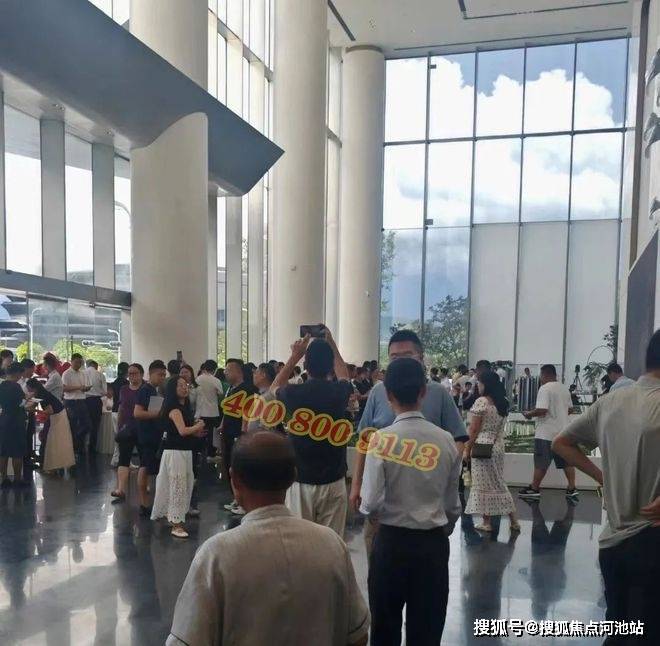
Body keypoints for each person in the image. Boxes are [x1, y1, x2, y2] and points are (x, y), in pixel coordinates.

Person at [167, 431, 369, 646]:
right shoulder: (332, 545)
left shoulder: (216, 556)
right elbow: (358, 635)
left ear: (234, 479)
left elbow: (186, 640)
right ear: (292, 476)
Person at [552, 329, 660, 645]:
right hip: (653, 541)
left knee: (619, 630)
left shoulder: (610, 402)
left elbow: (561, 443)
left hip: (613, 543)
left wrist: (603, 477)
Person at [360, 358, 461, 646]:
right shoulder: (446, 440)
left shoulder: (381, 440)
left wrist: (374, 516)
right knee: (426, 630)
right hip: (432, 546)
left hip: (391, 543)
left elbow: (371, 501)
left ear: (388, 394)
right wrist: (442, 527)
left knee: (385, 628)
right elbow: (452, 505)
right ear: (423, 392)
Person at [350, 330, 467, 555]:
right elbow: (364, 440)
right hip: (383, 513)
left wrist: (445, 475)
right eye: (394, 357)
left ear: (421, 357)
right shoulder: (377, 392)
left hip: (428, 509)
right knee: (378, 562)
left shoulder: (439, 393)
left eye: (407, 355)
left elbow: (458, 440)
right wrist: (357, 486)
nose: (400, 362)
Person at [271, 327, 353, 537]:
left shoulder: (293, 393)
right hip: (334, 479)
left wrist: (295, 356)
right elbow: (344, 374)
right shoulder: (339, 392)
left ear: (306, 365)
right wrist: (332, 343)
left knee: (300, 542)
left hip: (301, 480)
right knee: (332, 542)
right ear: (330, 367)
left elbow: (274, 388)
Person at [464, 370, 520, 534]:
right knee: (498, 482)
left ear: (486, 384)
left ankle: (486, 522)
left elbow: (474, 429)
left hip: (482, 446)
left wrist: (467, 449)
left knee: (483, 484)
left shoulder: (481, 402)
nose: (478, 386)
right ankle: (513, 520)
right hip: (497, 446)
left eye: (479, 383)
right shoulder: (502, 402)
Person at [151, 376, 206, 538]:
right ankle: (177, 524)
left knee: (182, 484)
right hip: (176, 452)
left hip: (183, 451)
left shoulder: (184, 408)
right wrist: (198, 426)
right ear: (172, 390)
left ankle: (173, 517)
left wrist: (195, 432)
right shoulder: (174, 409)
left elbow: (182, 431)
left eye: (185, 385)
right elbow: (182, 431)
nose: (184, 388)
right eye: (180, 385)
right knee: (178, 485)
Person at [519, 364, 577, 501]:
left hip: (546, 433)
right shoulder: (564, 388)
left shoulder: (544, 388)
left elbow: (542, 410)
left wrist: (528, 414)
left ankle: (534, 489)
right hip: (563, 433)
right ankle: (572, 488)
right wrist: (559, 415)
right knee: (567, 462)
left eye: (541, 376)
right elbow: (570, 409)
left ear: (544, 374)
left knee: (541, 462)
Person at [134, 359, 167, 516]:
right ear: (151, 374)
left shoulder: (156, 390)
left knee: (149, 467)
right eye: (160, 375)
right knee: (145, 467)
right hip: (147, 434)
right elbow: (137, 413)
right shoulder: (145, 390)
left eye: (164, 375)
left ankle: (150, 501)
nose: (162, 378)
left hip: (155, 433)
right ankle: (143, 502)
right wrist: (157, 414)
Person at [220, 358, 251, 514]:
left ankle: (244, 502)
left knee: (238, 467)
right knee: (228, 465)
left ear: (236, 371)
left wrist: (243, 431)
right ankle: (236, 498)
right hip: (227, 432)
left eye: (227, 370)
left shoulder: (246, 390)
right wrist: (222, 425)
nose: (225, 373)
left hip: (237, 434)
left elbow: (247, 412)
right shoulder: (231, 389)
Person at [111, 363, 144, 502]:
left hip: (143, 428)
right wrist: (119, 426)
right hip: (127, 428)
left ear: (141, 374)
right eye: (130, 373)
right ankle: (121, 489)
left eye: (135, 373)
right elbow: (121, 408)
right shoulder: (124, 389)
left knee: (144, 459)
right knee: (123, 459)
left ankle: (144, 484)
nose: (132, 376)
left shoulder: (146, 389)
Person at [25, 378, 74, 473]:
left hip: (57, 417)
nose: (28, 391)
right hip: (58, 414)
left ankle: (51, 465)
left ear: (34, 388)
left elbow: (49, 411)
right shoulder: (41, 393)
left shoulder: (43, 395)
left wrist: (34, 410)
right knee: (52, 440)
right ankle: (51, 464)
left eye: (29, 389)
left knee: (52, 441)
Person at [0, 362, 27, 486]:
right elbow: (21, 403)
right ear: (16, 373)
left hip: (4, 419)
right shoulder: (16, 386)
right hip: (17, 420)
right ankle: (17, 479)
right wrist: (27, 398)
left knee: (3, 451)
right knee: (17, 452)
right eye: (20, 374)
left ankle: (4, 478)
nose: (20, 377)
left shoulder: (1, 386)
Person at [62, 353, 92, 456]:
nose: (78, 364)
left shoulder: (82, 373)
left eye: (80, 362)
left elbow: (84, 386)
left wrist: (86, 388)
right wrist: (79, 387)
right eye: (76, 362)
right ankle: (74, 449)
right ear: (72, 361)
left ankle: (79, 444)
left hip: (82, 400)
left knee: (87, 425)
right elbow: (64, 388)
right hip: (71, 402)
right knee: (73, 426)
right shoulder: (66, 373)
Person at [195, 360, 224, 460]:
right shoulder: (216, 380)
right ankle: (211, 454)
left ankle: (200, 452)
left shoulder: (198, 379)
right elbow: (220, 393)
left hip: (200, 411)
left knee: (200, 432)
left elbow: (195, 392)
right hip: (212, 411)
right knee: (211, 434)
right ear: (214, 369)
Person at [247, 363, 279, 433]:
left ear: (263, 375)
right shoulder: (261, 395)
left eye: (255, 373)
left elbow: (266, 428)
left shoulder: (269, 397)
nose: (253, 376)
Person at [85, 360, 107, 455]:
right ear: (96, 366)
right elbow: (105, 391)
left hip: (83, 401)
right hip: (96, 402)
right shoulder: (100, 375)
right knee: (95, 426)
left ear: (87, 365)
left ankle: (81, 448)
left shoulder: (82, 373)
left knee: (83, 425)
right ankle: (92, 448)